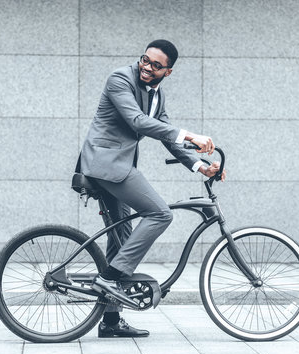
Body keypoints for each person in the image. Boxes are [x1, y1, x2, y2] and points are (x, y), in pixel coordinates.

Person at [77, 39, 226, 338]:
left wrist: (199, 166)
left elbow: (168, 138)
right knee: (159, 214)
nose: (146, 67)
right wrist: (192, 135)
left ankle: (109, 321)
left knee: (121, 240)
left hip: (115, 165)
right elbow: (137, 120)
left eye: (156, 65)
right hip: (107, 164)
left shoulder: (158, 96)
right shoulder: (120, 78)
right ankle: (109, 278)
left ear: (167, 72)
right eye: (145, 60)